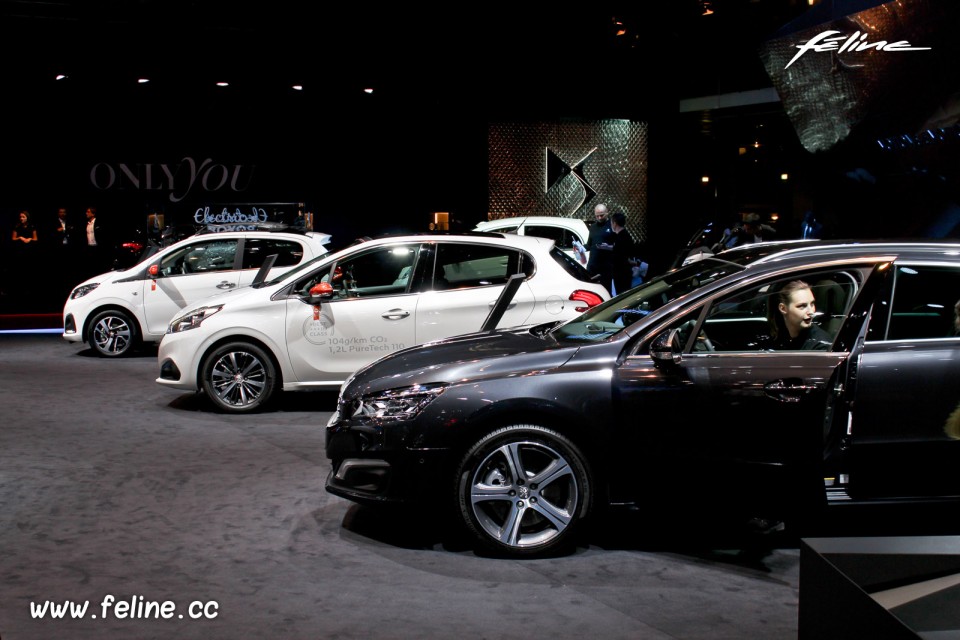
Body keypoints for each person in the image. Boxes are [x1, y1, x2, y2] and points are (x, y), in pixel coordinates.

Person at [768, 280, 832, 350]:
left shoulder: (819, 346)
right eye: (802, 306)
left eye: (812, 304)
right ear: (783, 309)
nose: (811, 311)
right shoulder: (780, 335)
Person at [608, 211, 636, 296]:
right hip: (622, 272)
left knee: (622, 295)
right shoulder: (625, 236)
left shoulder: (621, 237)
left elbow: (621, 256)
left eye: (612, 223)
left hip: (622, 274)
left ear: (615, 223)